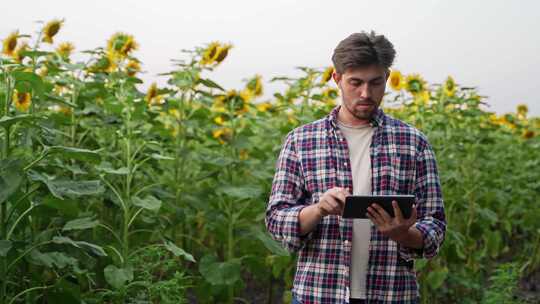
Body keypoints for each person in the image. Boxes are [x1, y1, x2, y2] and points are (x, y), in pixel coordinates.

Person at [265, 31, 446, 304]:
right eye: (355, 83)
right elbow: (277, 219)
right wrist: (318, 209)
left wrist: (405, 234)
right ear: (336, 79)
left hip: (392, 293)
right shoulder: (301, 141)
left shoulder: (413, 142)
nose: (366, 93)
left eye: (375, 83)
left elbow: (435, 225)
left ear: (387, 78)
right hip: (319, 293)